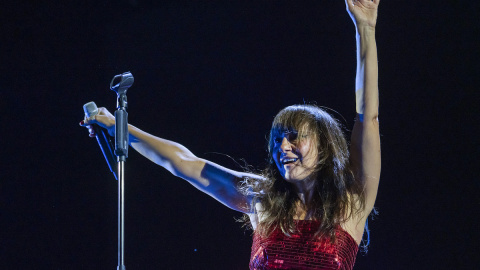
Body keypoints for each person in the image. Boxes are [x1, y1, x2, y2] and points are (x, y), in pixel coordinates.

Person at [81, 1, 381, 269]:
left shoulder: (351, 203)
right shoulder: (261, 199)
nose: (282, 147)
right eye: (276, 140)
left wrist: (365, 27)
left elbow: (367, 117)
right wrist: (119, 127)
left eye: (293, 136)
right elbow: (185, 163)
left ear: (324, 145)